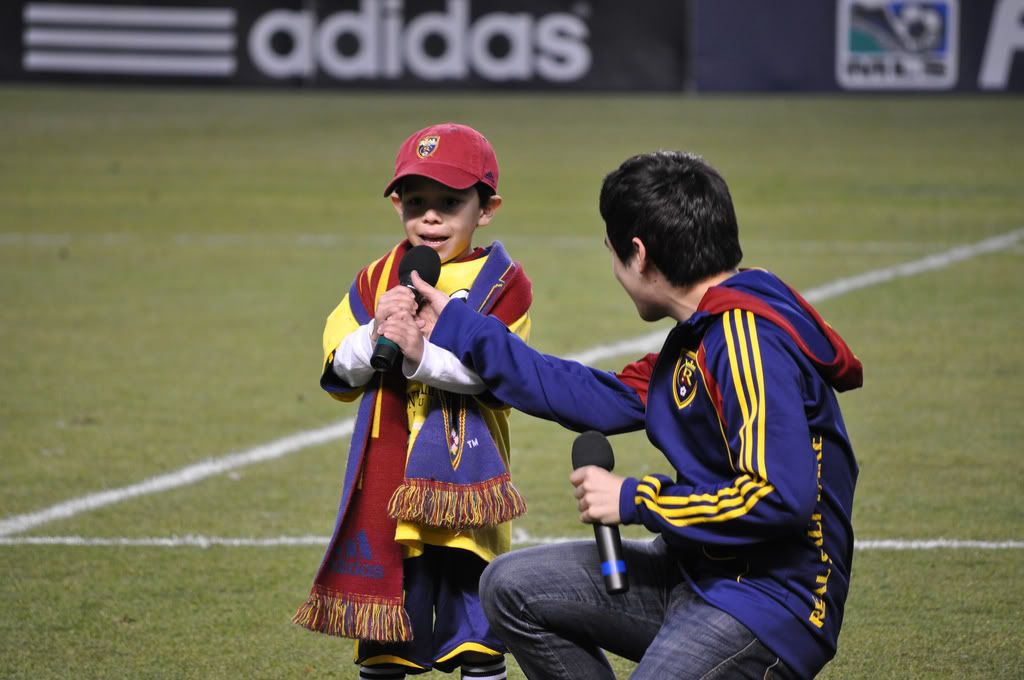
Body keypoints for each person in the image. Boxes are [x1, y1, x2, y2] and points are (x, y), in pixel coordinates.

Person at [395, 151, 863, 679]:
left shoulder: (746, 341)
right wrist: (458, 324)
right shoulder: (699, 335)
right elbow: (587, 395)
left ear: (638, 253)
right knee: (509, 586)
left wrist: (635, 497)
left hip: (769, 604)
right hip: (693, 574)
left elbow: (778, 499)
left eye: (613, 252)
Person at [292, 122, 533, 680]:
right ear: (397, 203)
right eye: (416, 202)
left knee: (476, 638)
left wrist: (421, 352)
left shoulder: (503, 282)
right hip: (389, 488)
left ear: (486, 208)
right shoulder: (377, 277)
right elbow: (337, 368)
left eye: (450, 203)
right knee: (387, 641)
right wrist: (376, 333)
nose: (430, 218)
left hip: (464, 489)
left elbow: (498, 375)